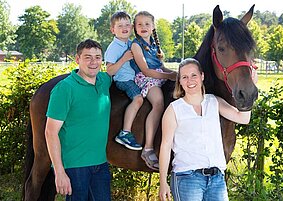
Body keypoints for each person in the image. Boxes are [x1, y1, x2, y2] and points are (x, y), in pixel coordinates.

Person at [159, 58, 251, 201]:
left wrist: (250, 88)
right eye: (184, 77)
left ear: (202, 76)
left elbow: (243, 118)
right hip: (187, 179)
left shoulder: (214, 102)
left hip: (217, 180)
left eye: (194, 75)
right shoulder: (174, 110)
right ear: (180, 82)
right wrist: (163, 182)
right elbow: (165, 147)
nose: (190, 81)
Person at [45, 39, 112, 200]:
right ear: (77, 59)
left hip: (100, 164)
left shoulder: (103, 81)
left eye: (97, 57)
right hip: (75, 167)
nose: (93, 62)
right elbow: (50, 132)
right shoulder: (64, 89)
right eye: (87, 57)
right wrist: (59, 172)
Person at [131, 10, 177, 171]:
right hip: (147, 78)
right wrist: (168, 76)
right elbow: (146, 71)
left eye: (147, 24)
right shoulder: (136, 45)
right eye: (139, 24)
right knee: (158, 103)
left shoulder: (155, 45)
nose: (143, 27)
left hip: (158, 75)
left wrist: (175, 74)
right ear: (135, 28)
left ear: (153, 27)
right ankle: (148, 147)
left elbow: (161, 66)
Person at [105, 11, 143, 151]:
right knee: (138, 99)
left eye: (127, 24)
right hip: (124, 80)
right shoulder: (114, 48)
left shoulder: (131, 44)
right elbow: (110, 71)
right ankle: (125, 132)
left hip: (134, 77)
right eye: (120, 25)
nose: (124, 28)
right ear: (113, 30)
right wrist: (124, 59)